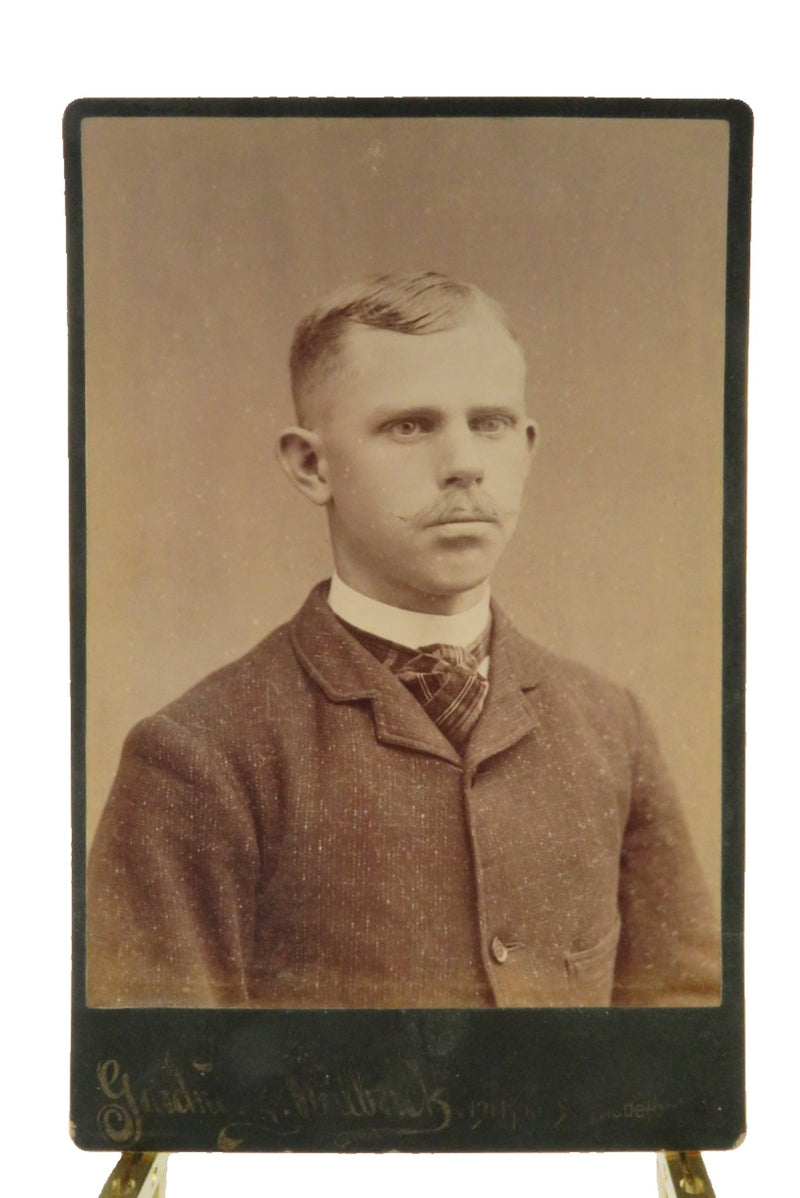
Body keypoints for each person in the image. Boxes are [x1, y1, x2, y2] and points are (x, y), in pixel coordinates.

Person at [87, 271, 720, 1009]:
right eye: (410, 426)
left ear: (528, 445)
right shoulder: (200, 756)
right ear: (311, 465)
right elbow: (164, 1100)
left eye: (489, 423)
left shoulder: (611, 726)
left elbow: (685, 1051)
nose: (463, 465)